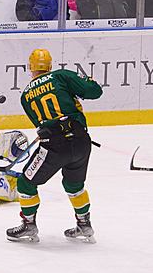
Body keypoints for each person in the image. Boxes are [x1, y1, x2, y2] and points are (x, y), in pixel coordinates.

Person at [6, 49, 103, 243]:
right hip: (81, 141)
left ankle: (29, 224)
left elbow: (41, 124)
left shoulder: (26, 95)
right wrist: (86, 81)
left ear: (30, 67)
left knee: (26, 182)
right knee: (74, 184)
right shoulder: (62, 76)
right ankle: (84, 224)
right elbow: (95, 92)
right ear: (50, 66)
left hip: (55, 146)